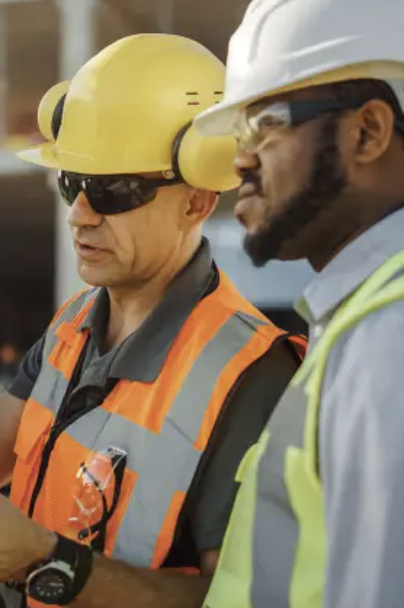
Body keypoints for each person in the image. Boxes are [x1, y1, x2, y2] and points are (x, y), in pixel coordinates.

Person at [0, 34, 306, 608]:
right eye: (71, 183)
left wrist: (44, 563)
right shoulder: (74, 322)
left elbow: (240, 599)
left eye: (112, 191)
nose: (79, 214)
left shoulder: (250, 378)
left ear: (198, 201)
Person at [189, 1, 404, 607]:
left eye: (267, 125)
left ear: (368, 132)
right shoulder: (360, 322)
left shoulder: (389, 338)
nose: (239, 159)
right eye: (238, 134)